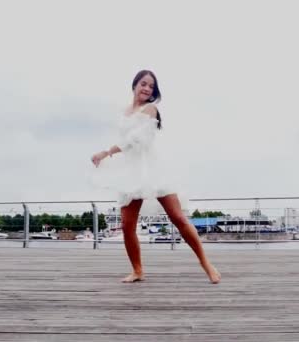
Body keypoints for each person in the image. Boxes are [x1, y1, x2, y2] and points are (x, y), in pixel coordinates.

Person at [91, 70, 221, 284]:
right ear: (134, 85)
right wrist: (108, 153)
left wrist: (106, 152)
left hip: (152, 168)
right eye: (143, 84)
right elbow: (124, 139)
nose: (146, 88)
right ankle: (137, 270)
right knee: (127, 225)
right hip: (131, 171)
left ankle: (206, 263)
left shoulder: (150, 109)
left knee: (178, 218)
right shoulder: (124, 112)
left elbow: (136, 139)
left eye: (151, 86)